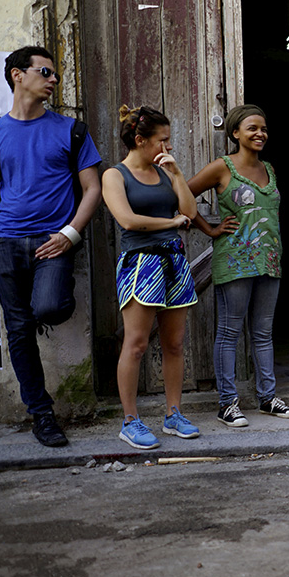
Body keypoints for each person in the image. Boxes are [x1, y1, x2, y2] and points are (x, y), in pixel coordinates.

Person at [0, 46, 102, 447]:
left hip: (52, 243)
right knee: (19, 331)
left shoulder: (71, 130)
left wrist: (70, 234)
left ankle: (50, 299)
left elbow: (93, 189)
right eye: (45, 72)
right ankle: (42, 415)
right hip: (5, 242)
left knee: (47, 307)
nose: (54, 79)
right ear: (18, 75)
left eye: (55, 74)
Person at [188, 105, 289, 427]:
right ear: (235, 133)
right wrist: (209, 229)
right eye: (252, 128)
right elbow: (182, 195)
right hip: (235, 260)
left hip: (269, 259)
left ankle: (268, 398)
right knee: (229, 332)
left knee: (263, 332)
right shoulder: (222, 168)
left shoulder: (269, 169)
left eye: (263, 128)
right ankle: (227, 404)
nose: (260, 133)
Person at [102, 105, 200, 450]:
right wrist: (171, 223)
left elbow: (190, 211)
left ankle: (174, 414)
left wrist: (177, 174)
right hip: (140, 263)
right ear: (140, 140)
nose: (168, 146)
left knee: (174, 343)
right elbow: (128, 221)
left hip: (174, 261)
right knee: (137, 343)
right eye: (163, 140)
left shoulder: (165, 172)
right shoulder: (115, 175)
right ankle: (130, 421)